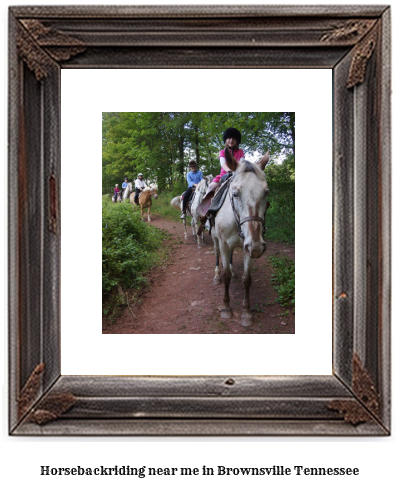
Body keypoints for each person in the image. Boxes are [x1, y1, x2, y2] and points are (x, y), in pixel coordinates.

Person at [197, 127, 245, 218]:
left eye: (233, 139)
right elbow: (223, 164)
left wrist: (238, 172)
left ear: (237, 141)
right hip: (224, 175)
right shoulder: (222, 152)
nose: (231, 140)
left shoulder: (240, 152)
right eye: (229, 138)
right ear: (226, 140)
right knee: (211, 186)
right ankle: (205, 208)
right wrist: (229, 171)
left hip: (237, 175)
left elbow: (242, 163)